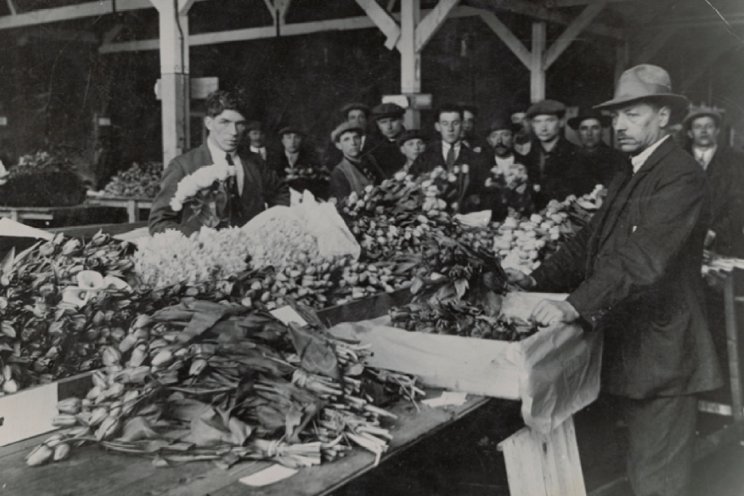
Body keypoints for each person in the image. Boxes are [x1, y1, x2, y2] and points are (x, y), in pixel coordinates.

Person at [507, 64, 722, 496]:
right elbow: (589, 239)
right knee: (636, 470)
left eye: (633, 114)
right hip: (632, 351)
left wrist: (574, 305)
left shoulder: (680, 174)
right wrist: (530, 278)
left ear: (664, 116)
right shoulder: (632, 171)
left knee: (657, 482)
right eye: (616, 117)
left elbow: (643, 258)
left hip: (664, 357)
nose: (620, 126)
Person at [149, 90, 289, 235]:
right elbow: (159, 222)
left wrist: (272, 226)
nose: (233, 132)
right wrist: (196, 240)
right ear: (208, 123)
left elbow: (281, 193)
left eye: (240, 124)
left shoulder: (255, 162)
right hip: (203, 252)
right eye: (224, 122)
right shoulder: (183, 166)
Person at [684, 106, 744, 257]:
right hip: (684, 242)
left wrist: (714, 231)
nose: (704, 131)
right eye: (698, 127)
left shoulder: (736, 161)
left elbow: (739, 203)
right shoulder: (678, 161)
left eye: (709, 126)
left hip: (724, 242)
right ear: (690, 133)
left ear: (717, 131)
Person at [410, 103, 489, 213]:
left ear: (462, 125)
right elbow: (412, 188)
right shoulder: (425, 157)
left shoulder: (476, 159)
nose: (450, 129)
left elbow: (484, 194)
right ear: (437, 126)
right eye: (445, 123)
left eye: (455, 123)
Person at [522, 99, 589, 209]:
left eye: (549, 121)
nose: (543, 128)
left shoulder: (578, 155)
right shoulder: (528, 157)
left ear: (561, 122)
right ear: (532, 125)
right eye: (537, 122)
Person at [484, 114, 533, 218]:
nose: (499, 141)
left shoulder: (528, 163)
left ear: (514, 138)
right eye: (494, 136)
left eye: (505, 135)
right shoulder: (481, 166)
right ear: (489, 141)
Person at [568, 107, 628, 187]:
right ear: (578, 132)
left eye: (595, 128)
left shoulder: (618, 158)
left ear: (602, 131)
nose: (589, 133)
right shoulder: (570, 159)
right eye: (584, 128)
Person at [328, 122, 386, 199]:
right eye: (346, 139)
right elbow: (345, 205)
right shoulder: (339, 172)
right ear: (339, 145)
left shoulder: (372, 159)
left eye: (356, 137)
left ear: (361, 140)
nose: (353, 143)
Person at [270, 125, 328, 200]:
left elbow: (320, 185)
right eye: (288, 137)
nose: (292, 142)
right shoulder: (274, 160)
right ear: (282, 140)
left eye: (296, 137)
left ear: (301, 140)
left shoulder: (311, 160)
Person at [322, 102, 374, 168]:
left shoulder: (376, 140)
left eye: (361, 117)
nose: (357, 121)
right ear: (347, 121)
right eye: (353, 118)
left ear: (366, 120)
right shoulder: (337, 141)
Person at [367, 102, 408, 176]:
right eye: (383, 122)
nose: (389, 127)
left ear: (402, 120)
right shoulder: (374, 149)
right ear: (378, 124)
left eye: (393, 121)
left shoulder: (414, 143)